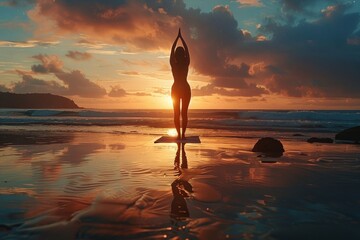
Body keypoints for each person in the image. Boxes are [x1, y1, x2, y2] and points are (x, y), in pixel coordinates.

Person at [170, 28, 191, 140]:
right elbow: (187, 49)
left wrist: (177, 39)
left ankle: (179, 134)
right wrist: (181, 38)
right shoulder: (186, 63)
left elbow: (172, 50)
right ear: (183, 54)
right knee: (184, 113)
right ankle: (182, 135)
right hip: (185, 88)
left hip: (176, 89)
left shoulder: (173, 64)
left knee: (176, 113)